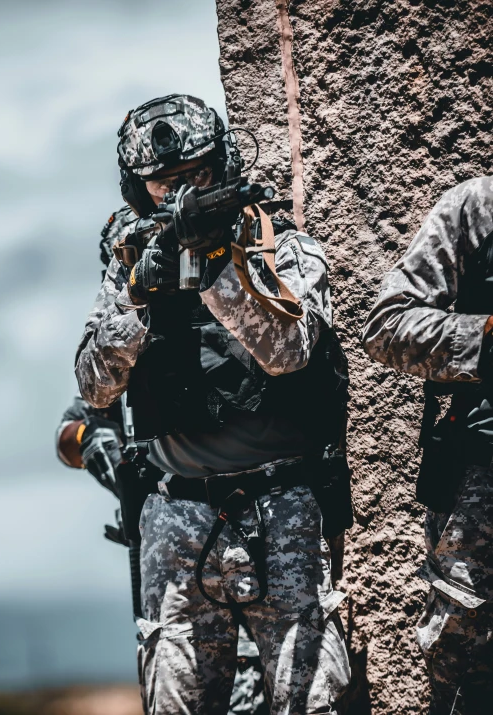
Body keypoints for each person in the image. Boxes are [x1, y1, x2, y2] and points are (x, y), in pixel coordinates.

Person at [75, 94, 352, 714]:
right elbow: (94, 385)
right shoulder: (129, 266)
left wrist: (217, 268)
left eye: (195, 176)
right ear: (136, 189)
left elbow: (289, 352)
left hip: (283, 507)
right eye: (162, 184)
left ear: (220, 166)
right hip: (176, 518)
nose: (178, 196)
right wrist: (140, 296)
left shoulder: (279, 248)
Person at [57, 203, 269, 715]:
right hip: (163, 542)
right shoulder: (126, 345)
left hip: (243, 533)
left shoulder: (214, 325)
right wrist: (96, 444)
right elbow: (68, 432)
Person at [362, 176, 493, 715]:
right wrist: (485, 335)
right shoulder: (478, 206)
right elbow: (386, 326)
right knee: (468, 686)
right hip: (481, 492)